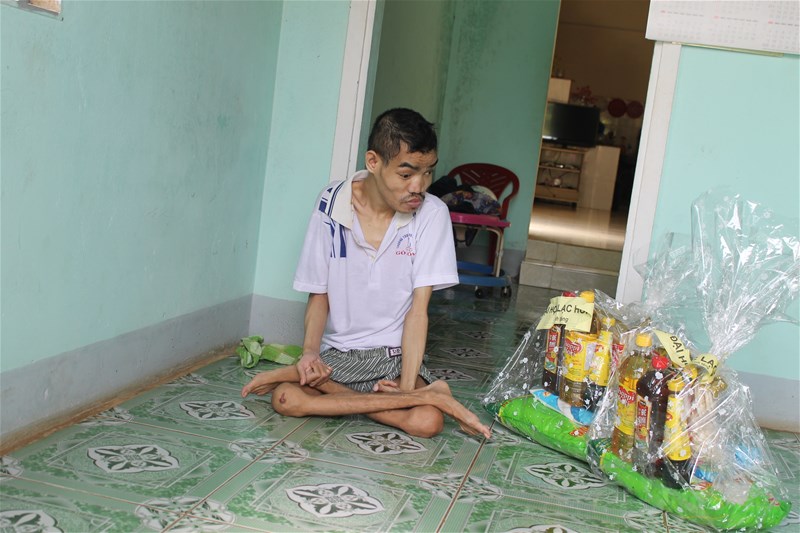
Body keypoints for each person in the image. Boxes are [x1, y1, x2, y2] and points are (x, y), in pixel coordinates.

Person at [241, 108, 491, 439]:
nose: (419, 186)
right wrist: (310, 354)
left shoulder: (432, 214)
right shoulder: (331, 203)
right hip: (338, 357)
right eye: (406, 174)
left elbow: (418, 312)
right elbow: (319, 293)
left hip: (393, 358)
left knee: (427, 423)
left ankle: (353, 393)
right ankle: (431, 396)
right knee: (286, 399)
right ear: (373, 162)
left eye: (428, 172)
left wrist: (405, 389)